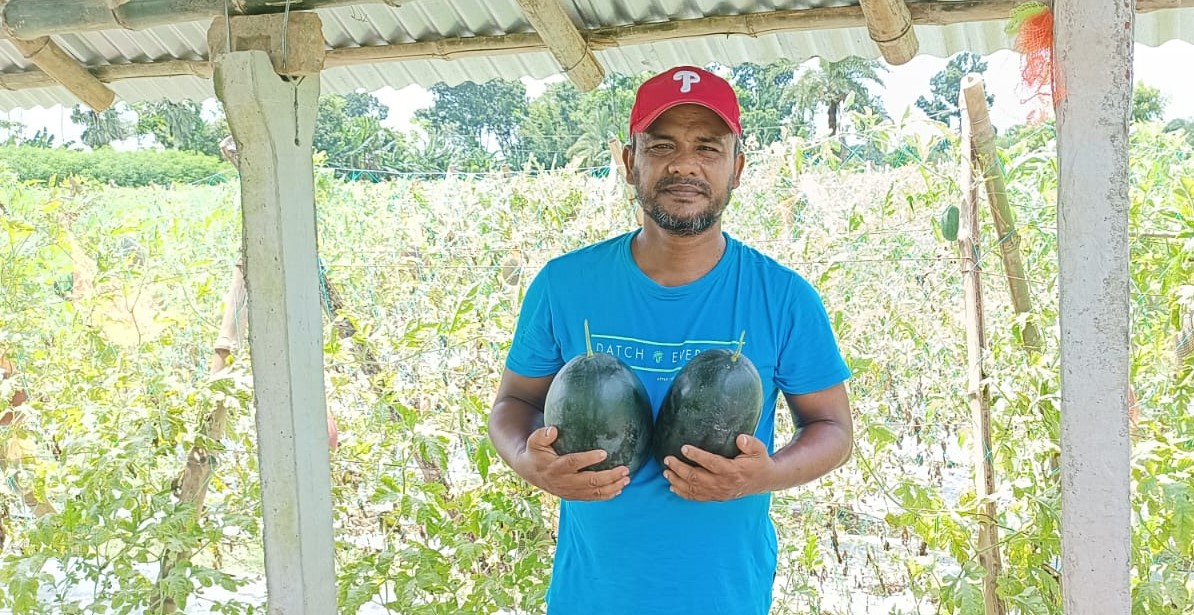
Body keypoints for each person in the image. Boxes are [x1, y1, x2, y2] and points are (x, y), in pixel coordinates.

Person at [487, 65, 853, 614]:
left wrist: (765, 475)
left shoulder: (783, 296)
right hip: (590, 599)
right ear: (631, 162)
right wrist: (525, 458)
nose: (685, 164)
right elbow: (513, 403)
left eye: (708, 147)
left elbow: (833, 429)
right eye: (663, 146)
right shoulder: (564, 284)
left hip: (724, 599)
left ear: (737, 168)